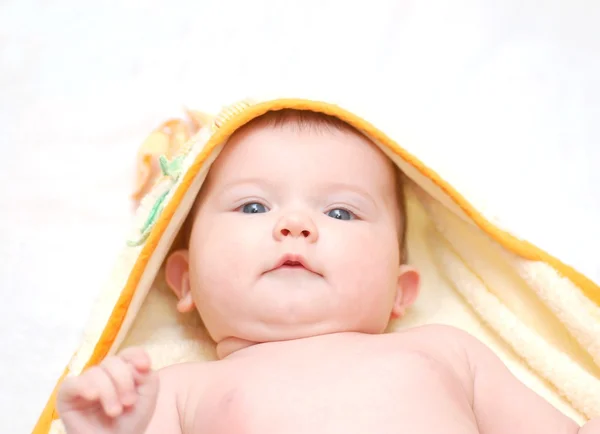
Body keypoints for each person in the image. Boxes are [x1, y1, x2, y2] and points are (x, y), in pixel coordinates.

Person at [56, 110, 598, 433]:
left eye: (340, 212)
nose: (295, 224)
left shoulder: (448, 351)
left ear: (400, 290)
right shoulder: (174, 392)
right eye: (253, 207)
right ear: (185, 280)